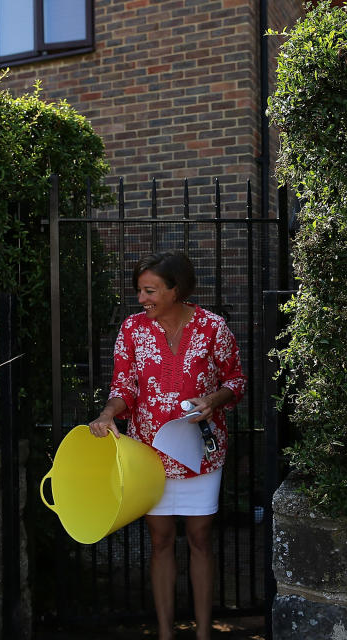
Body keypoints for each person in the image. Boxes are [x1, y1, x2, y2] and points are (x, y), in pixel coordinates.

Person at [88, 250, 246, 640]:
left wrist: (213, 400)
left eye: (150, 291)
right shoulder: (132, 330)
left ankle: (204, 632)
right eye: (140, 291)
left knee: (200, 539)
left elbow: (236, 380)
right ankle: (164, 633)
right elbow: (123, 388)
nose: (142, 299)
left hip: (200, 454)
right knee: (159, 541)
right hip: (148, 455)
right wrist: (108, 414)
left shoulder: (213, 327)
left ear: (177, 290)